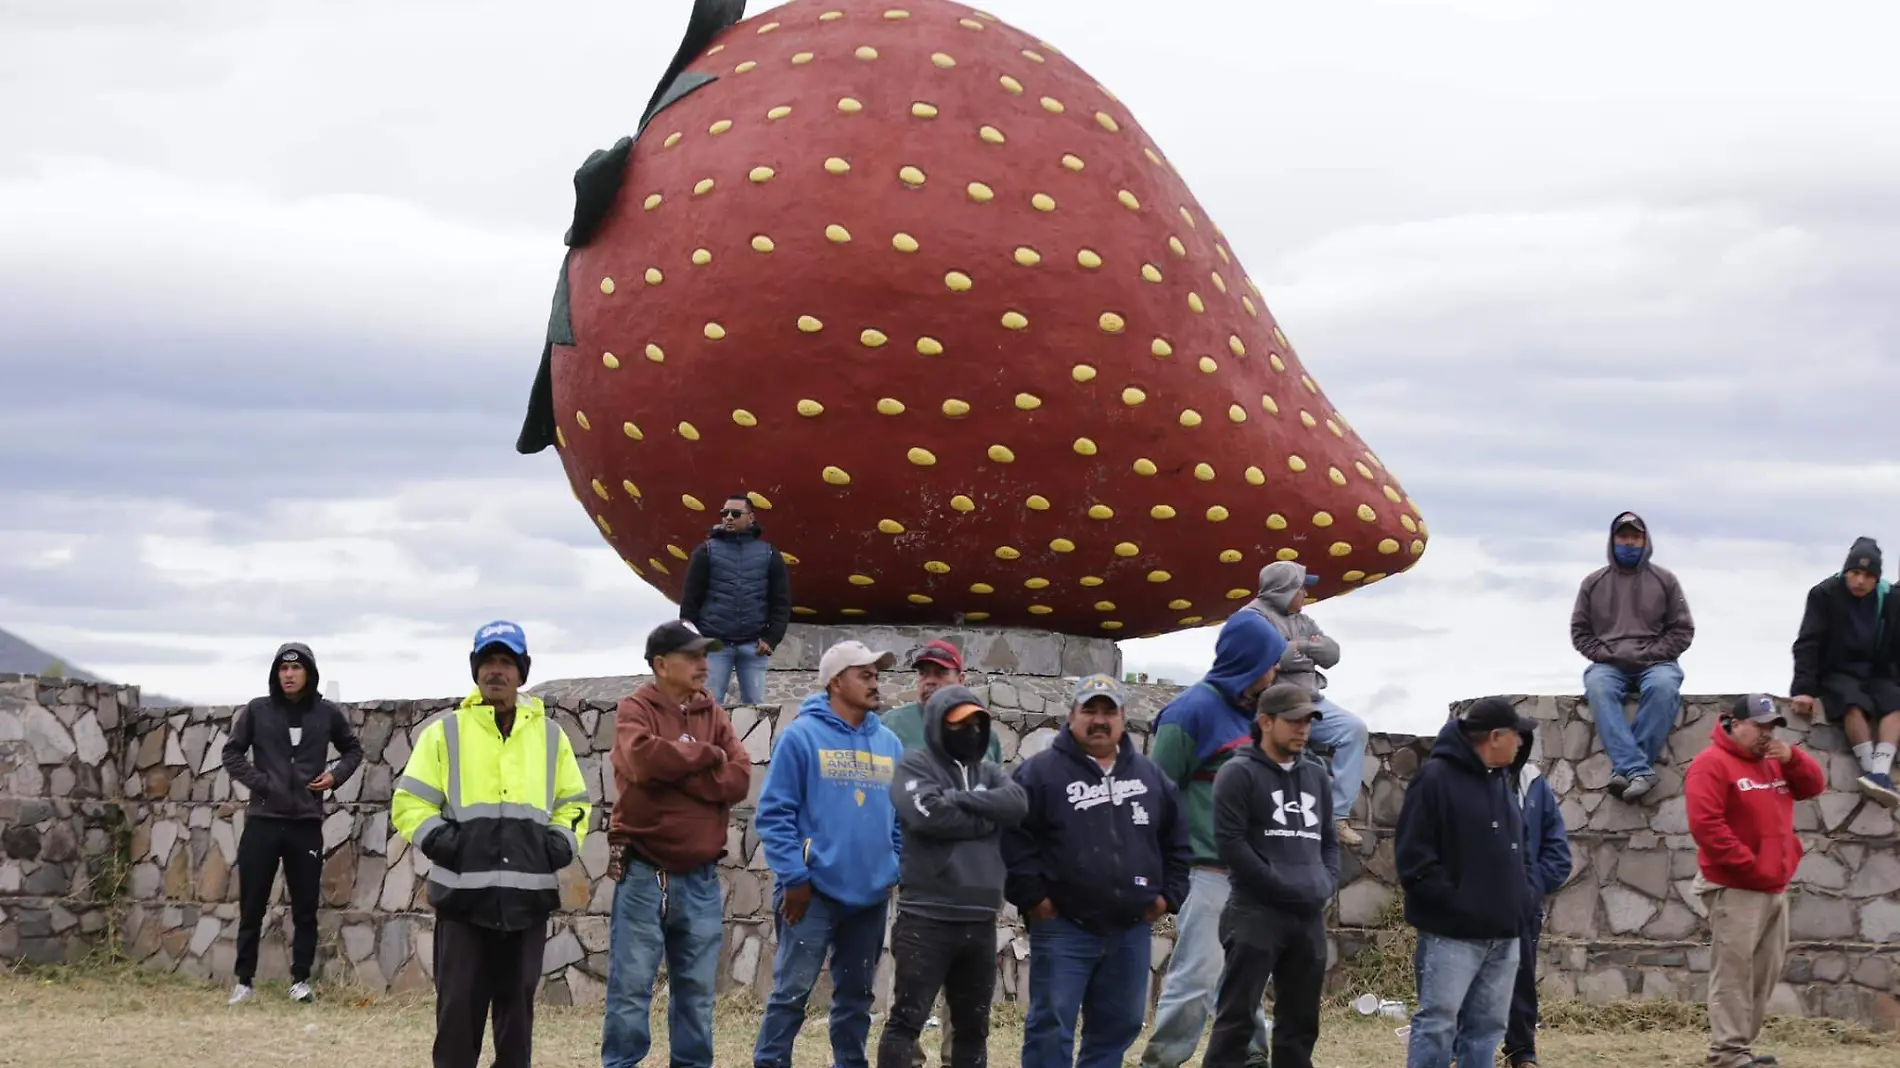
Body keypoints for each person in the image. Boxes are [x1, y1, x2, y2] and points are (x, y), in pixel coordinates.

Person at [390, 621, 592, 1068]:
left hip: (526, 905)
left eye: (505, 662)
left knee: (515, 1026)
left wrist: (559, 844)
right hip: (462, 904)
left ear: (522, 672)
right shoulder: (445, 734)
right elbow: (409, 803)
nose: (495, 671)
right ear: (475, 670)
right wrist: (442, 841)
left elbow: (575, 803)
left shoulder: (551, 736)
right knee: (457, 1020)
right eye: (487, 662)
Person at [1006, 673, 1192, 1068]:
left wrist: (1167, 897)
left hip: (1130, 930)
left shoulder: (1150, 777)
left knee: (1118, 1026)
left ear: (1123, 718)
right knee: (1051, 1026)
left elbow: (1178, 840)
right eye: (1090, 709)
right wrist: (1034, 899)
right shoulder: (1039, 774)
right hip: (1062, 929)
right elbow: (1013, 840)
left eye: (1109, 711)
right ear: (1072, 715)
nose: (1100, 720)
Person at [1139, 610, 1289, 1068]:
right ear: (1249, 660)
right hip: (1205, 871)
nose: (1276, 669)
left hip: (1251, 875)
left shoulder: (1256, 716)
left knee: (1243, 977)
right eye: (1271, 659)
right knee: (1196, 977)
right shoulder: (1190, 712)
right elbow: (1156, 793)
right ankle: (1162, 1061)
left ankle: (1251, 1058)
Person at [602, 621, 752, 1068]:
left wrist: (677, 770)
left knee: (697, 998)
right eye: (693, 656)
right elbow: (644, 762)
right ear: (661, 664)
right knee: (629, 992)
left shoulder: (714, 714)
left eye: (706, 655)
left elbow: (740, 778)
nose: (704, 665)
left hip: (701, 878)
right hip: (645, 874)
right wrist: (706, 757)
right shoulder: (635, 709)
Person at [751, 640, 905, 1068]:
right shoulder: (801, 736)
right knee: (791, 994)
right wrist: (795, 878)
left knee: (857, 999)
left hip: (870, 897)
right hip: (812, 894)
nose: (875, 684)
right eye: (865, 675)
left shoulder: (890, 743)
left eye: (877, 675)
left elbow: (897, 820)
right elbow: (774, 814)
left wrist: (891, 864)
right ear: (836, 682)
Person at [878, 685, 1028, 1068]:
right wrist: (986, 818)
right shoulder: (915, 765)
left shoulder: (990, 771)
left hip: (979, 920)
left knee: (973, 1029)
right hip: (926, 917)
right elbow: (928, 814)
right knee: (907, 1022)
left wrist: (959, 798)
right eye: (960, 724)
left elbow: (1017, 804)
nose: (971, 732)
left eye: (978, 723)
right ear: (937, 724)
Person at [1395, 697, 1538, 1068]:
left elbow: (1518, 851)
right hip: (1451, 936)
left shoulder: (1500, 784)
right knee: (1438, 1025)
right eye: (1516, 735)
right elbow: (1414, 860)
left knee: (1487, 1028)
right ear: (1494, 736)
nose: (1521, 743)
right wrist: (1458, 906)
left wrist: (1522, 900)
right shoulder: (1434, 780)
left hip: (1504, 935)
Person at [1685, 694, 1825, 1068]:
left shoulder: (1774, 762)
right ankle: (1727, 1054)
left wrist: (1794, 758)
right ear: (1734, 723)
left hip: (1772, 885)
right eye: (1759, 725)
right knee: (1734, 974)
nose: (1766, 734)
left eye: (1771, 726)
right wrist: (1750, 866)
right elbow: (1707, 826)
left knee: (1763, 974)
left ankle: (1740, 1049)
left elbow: (1813, 787)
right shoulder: (1710, 764)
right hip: (1735, 888)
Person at [1205, 683, 1340, 1068]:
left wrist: (1325, 881)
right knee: (1236, 1020)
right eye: (1294, 720)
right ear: (1265, 721)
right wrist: (1279, 886)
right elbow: (1231, 844)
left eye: (1308, 721)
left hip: (1307, 916)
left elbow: (1329, 841)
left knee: (1300, 1024)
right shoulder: (1238, 773)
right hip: (1254, 913)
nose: (1303, 728)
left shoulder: (1316, 776)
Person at [221, 642, 362, 1005]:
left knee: (304, 906)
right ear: (275, 673)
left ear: (308, 673)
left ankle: (300, 980)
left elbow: (353, 750)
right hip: (263, 820)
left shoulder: (326, 713)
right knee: (252, 902)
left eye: (296, 669)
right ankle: (244, 981)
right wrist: (261, 782)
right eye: (283, 669)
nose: (288, 674)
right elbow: (231, 752)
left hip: (305, 823)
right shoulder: (257, 710)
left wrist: (335, 777)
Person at [1569, 511, 1696, 803]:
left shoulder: (1666, 580)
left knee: (1664, 688)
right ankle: (1638, 769)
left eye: (1635, 537)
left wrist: (1650, 654)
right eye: (1623, 537)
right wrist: (1605, 654)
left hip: (1657, 663)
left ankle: (1626, 770)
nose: (1629, 543)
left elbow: (1682, 630)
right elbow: (1580, 632)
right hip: (1609, 664)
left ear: (1645, 541)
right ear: (1613, 540)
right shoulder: (1593, 583)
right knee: (1598, 687)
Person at [1245, 561, 1374, 847]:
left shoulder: (1303, 619)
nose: (1305, 593)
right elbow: (1276, 658)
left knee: (1353, 729)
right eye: (1300, 587)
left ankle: (1338, 817)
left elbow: (1332, 653)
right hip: (1275, 704)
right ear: (1284, 589)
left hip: (1312, 700)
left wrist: (1298, 648)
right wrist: (1305, 648)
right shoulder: (1253, 617)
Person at [1789, 536, 1900, 808]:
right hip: (1835, 671)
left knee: (1895, 702)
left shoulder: (1889, 598)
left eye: (1868, 575)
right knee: (1852, 703)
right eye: (1855, 573)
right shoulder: (1824, 594)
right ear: (1846, 571)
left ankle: (1879, 774)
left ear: (1877, 578)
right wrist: (1803, 689)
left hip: (1876, 671)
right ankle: (1870, 768)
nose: (1860, 581)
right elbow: (1808, 642)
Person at [1501, 722, 1574, 1068]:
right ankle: (1459, 1050)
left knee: (1521, 979)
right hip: (1470, 906)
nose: (1516, 744)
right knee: (1465, 982)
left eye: (1522, 738)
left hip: (1522, 908)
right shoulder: (1465, 782)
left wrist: (1530, 890)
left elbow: (1557, 852)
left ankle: (1522, 1052)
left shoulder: (1535, 784)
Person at [678, 492, 792, 706]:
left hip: (754, 646)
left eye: (736, 513)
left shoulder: (769, 555)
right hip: (714, 646)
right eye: (725, 513)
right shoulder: (705, 552)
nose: (729, 517)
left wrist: (771, 638)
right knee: (706, 708)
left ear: (751, 518)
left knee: (757, 710)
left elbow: (781, 601)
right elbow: (690, 602)